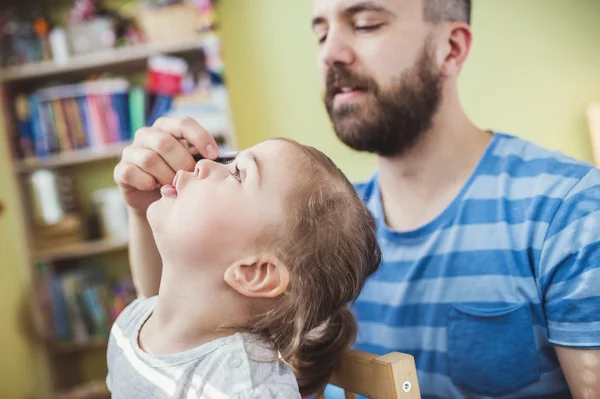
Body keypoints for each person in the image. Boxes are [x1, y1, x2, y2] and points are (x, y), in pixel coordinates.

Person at [114, 0, 600, 397]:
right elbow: (181, 328)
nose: (332, 53)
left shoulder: (570, 212)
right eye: (320, 33)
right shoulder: (318, 231)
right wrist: (143, 210)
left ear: (450, 48)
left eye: (366, 24)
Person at [108, 136, 381, 398]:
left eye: (238, 173)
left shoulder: (247, 391)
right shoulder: (131, 324)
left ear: (256, 273)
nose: (201, 164)